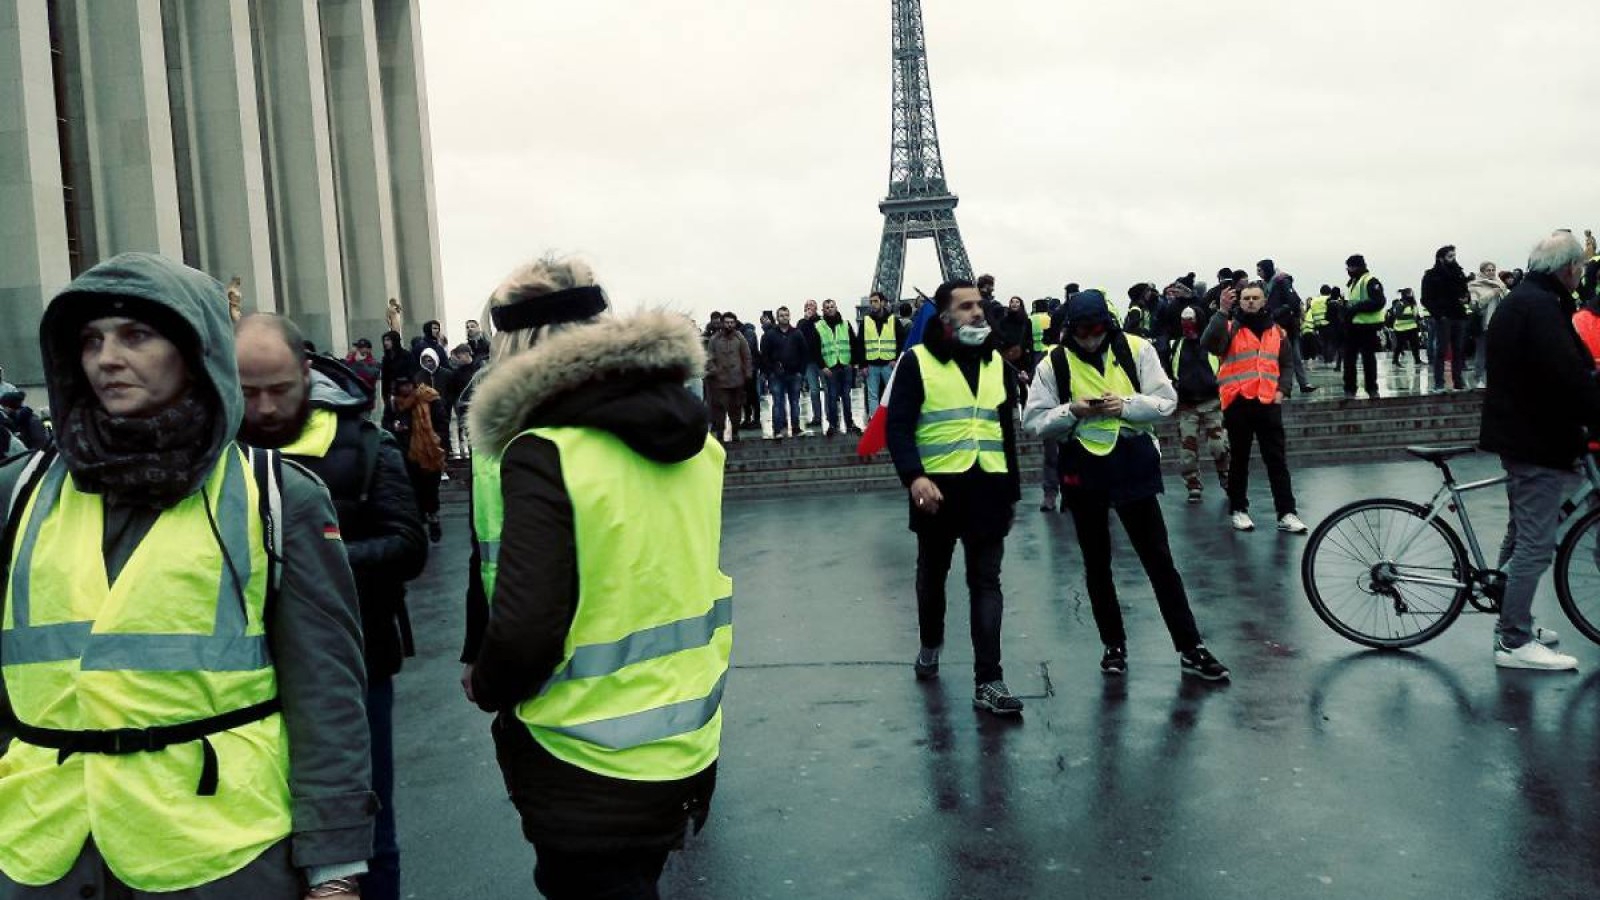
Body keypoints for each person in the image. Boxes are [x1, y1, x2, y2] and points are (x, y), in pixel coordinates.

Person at [0, 252, 371, 898]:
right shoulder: (17, 494)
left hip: (221, 861)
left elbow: (327, 699)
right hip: (44, 857)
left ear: (195, 348)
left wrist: (335, 871)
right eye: (91, 340)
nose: (106, 359)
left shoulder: (277, 498)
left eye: (136, 335)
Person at [463, 256, 730, 899]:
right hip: (686, 735)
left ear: (516, 347)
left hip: (578, 750)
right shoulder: (696, 442)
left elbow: (528, 623)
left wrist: (491, 680)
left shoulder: (544, 451)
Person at [236, 314, 428, 900]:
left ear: (307, 372)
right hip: (242, 678)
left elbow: (407, 544)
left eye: (279, 390)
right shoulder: (211, 452)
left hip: (356, 666)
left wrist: (309, 560)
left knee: (363, 831)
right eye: (248, 393)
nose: (265, 408)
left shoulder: (366, 443)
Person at [1024, 290, 1230, 681]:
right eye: (1083, 330)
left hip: (1132, 460)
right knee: (1097, 564)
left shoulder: (1138, 349)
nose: (1090, 336)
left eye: (1097, 328)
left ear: (1109, 323)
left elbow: (1166, 402)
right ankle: (1113, 644)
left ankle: (1190, 645)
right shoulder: (1053, 364)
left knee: (1159, 560)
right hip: (1083, 467)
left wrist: (1126, 405)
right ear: (1070, 329)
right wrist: (1073, 410)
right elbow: (1033, 421)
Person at [887, 279, 1024, 714]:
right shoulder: (916, 361)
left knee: (986, 581)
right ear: (944, 316)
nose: (977, 313)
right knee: (933, 575)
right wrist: (913, 477)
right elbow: (899, 426)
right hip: (937, 489)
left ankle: (990, 680)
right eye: (966, 307)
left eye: (979, 305)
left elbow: (1005, 433)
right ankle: (930, 643)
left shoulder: (997, 365)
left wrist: (1012, 491)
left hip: (988, 486)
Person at [1479, 230, 1600, 670]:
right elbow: (1564, 375)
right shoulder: (1540, 306)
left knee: (1524, 530)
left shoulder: (1530, 300)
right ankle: (1512, 640)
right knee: (1536, 542)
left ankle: (1514, 614)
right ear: (1569, 268)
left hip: (1526, 433)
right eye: (1580, 267)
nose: (1581, 274)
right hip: (1535, 438)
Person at [1203, 281, 1308, 534]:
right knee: (1239, 460)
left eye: (1255, 297)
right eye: (1246, 297)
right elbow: (1209, 343)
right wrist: (1221, 311)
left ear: (1264, 301)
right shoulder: (1229, 326)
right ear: (1239, 301)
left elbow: (1287, 364)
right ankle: (1239, 510)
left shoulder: (1277, 332)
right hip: (1238, 402)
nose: (1250, 301)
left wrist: (1282, 391)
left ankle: (1287, 512)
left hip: (1268, 402)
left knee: (1277, 461)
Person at [1168, 306, 1230, 504]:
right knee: (1187, 450)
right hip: (1187, 405)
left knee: (1218, 445)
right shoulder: (1177, 344)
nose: (1186, 324)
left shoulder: (1210, 343)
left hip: (1212, 402)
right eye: (1183, 319)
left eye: (1190, 319)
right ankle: (1192, 484)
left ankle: (1226, 476)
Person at [387, 375, 447, 542]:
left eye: (407, 385)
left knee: (431, 489)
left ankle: (433, 518)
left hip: (429, 451)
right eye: (401, 386)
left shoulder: (429, 398)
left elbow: (441, 422)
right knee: (414, 490)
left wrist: (438, 440)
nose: (405, 389)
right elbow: (387, 424)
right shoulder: (394, 403)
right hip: (406, 453)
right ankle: (420, 524)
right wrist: (394, 427)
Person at [1257, 259, 1317, 393]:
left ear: (1266, 269)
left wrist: (1276, 313)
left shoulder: (1281, 281)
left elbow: (1292, 303)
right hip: (1274, 325)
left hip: (1287, 325)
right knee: (1279, 357)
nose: (1258, 273)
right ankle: (1287, 386)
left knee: (1293, 356)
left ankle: (1301, 383)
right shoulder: (1266, 284)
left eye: (1260, 270)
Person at [1422, 245, 1472, 391]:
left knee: (1459, 349)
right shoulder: (1431, 275)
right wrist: (1438, 314)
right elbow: (1425, 298)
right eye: (1450, 256)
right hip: (1443, 316)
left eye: (1454, 256)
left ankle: (1459, 382)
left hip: (1459, 315)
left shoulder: (1459, 273)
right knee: (1441, 350)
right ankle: (1439, 383)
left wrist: (1466, 298)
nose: (1453, 259)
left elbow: (1465, 292)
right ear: (1441, 258)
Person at [1342, 254, 1387, 399]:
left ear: (1358, 266)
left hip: (1367, 327)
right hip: (1353, 327)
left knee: (1368, 359)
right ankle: (1350, 389)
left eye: (1350, 267)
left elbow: (1379, 301)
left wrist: (1356, 308)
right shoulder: (1354, 282)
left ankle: (1372, 389)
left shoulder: (1370, 280)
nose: (1348, 270)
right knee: (1349, 360)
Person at [760, 306, 808, 440]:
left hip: (794, 374)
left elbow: (804, 353)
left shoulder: (797, 333)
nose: (784, 317)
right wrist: (770, 370)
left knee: (794, 402)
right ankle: (778, 430)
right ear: (777, 317)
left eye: (786, 315)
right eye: (781, 315)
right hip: (776, 375)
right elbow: (765, 355)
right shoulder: (770, 335)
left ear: (790, 316)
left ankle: (796, 428)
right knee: (778, 403)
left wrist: (801, 372)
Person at [816, 299, 861, 437]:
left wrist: (853, 363)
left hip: (845, 365)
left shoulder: (846, 324)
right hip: (831, 367)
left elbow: (854, 343)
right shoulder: (819, 326)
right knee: (832, 397)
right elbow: (815, 348)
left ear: (836, 307)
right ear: (823, 310)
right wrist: (822, 366)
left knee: (846, 397)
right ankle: (833, 425)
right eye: (827, 307)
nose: (830, 309)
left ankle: (849, 423)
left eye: (832, 306)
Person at [705, 313, 752, 443]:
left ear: (735, 323)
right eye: (727, 322)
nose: (729, 325)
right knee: (719, 409)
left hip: (737, 380)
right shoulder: (714, 339)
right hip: (720, 381)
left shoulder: (740, 338)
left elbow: (747, 356)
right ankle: (720, 433)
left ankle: (735, 432)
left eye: (732, 322)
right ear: (722, 323)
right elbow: (709, 358)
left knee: (736, 408)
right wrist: (714, 370)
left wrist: (748, 373)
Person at [861, 291, 905, 421]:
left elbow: (901, 340)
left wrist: (896, 358)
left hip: (888, 363)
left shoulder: (893, 320)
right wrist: (863, 364)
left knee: (892, 393)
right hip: (872, 364)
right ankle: (875, 420)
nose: (873, 304)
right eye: (871, 302)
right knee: (872, 395)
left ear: (883, 302)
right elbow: (860, 343)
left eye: (875, 301)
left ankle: (893, 419)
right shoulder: (866, 321)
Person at [1469, 261, 1509, 388]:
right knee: (1481, 351)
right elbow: (1476, 305)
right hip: (1483, 322)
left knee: (1498, 352)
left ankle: (1496, 378)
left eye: (1493, 270)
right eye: (1488, 270)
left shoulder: (1501, 284)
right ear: (1482, 271)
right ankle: (1478, 378)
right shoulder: (1475, 285)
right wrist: (1492, 293)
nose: (1491, 272)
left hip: (1499, 322)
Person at [445, 343, 482, 456]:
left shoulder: (479, 368)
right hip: (464, 408)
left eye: (459, 357)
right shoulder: (456, 374)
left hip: (480, 406)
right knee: (469, 436)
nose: (457, 360)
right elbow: (453, 392)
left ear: (466, 354)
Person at [798, 299, 825, 429]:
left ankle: (831, 416)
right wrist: (807, 320)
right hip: (809, 362)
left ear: (816, 308)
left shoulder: (822, 322)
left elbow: (817, 337)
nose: (809, 308)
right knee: (814, 391)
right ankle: (817, 417)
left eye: (812, 306)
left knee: (828, 389)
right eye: (807, 306)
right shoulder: (802, 323)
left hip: (823, 361)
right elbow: (801, 337)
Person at [379, 330, 415, 424]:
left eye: (388, 340)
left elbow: (411, 375)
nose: (386, 343)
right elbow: (385, 379)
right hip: (391, 395)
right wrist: (385, 396)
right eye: (384, 340)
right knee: (388, 422)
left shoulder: (406, 356)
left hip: (405, 395)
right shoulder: (386, 359)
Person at [1388, 288, 1424, 365]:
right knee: (1400, 345)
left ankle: (1417, 360)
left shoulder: (1413, 304)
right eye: (1410, 293)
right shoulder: (1400, 304)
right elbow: (1397, 315)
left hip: (1412, 327)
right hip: (1401, 328)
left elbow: (1416, 315)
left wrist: (1419, 320)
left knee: (1415, 344)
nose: (1412, 295)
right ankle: (1395, 360)